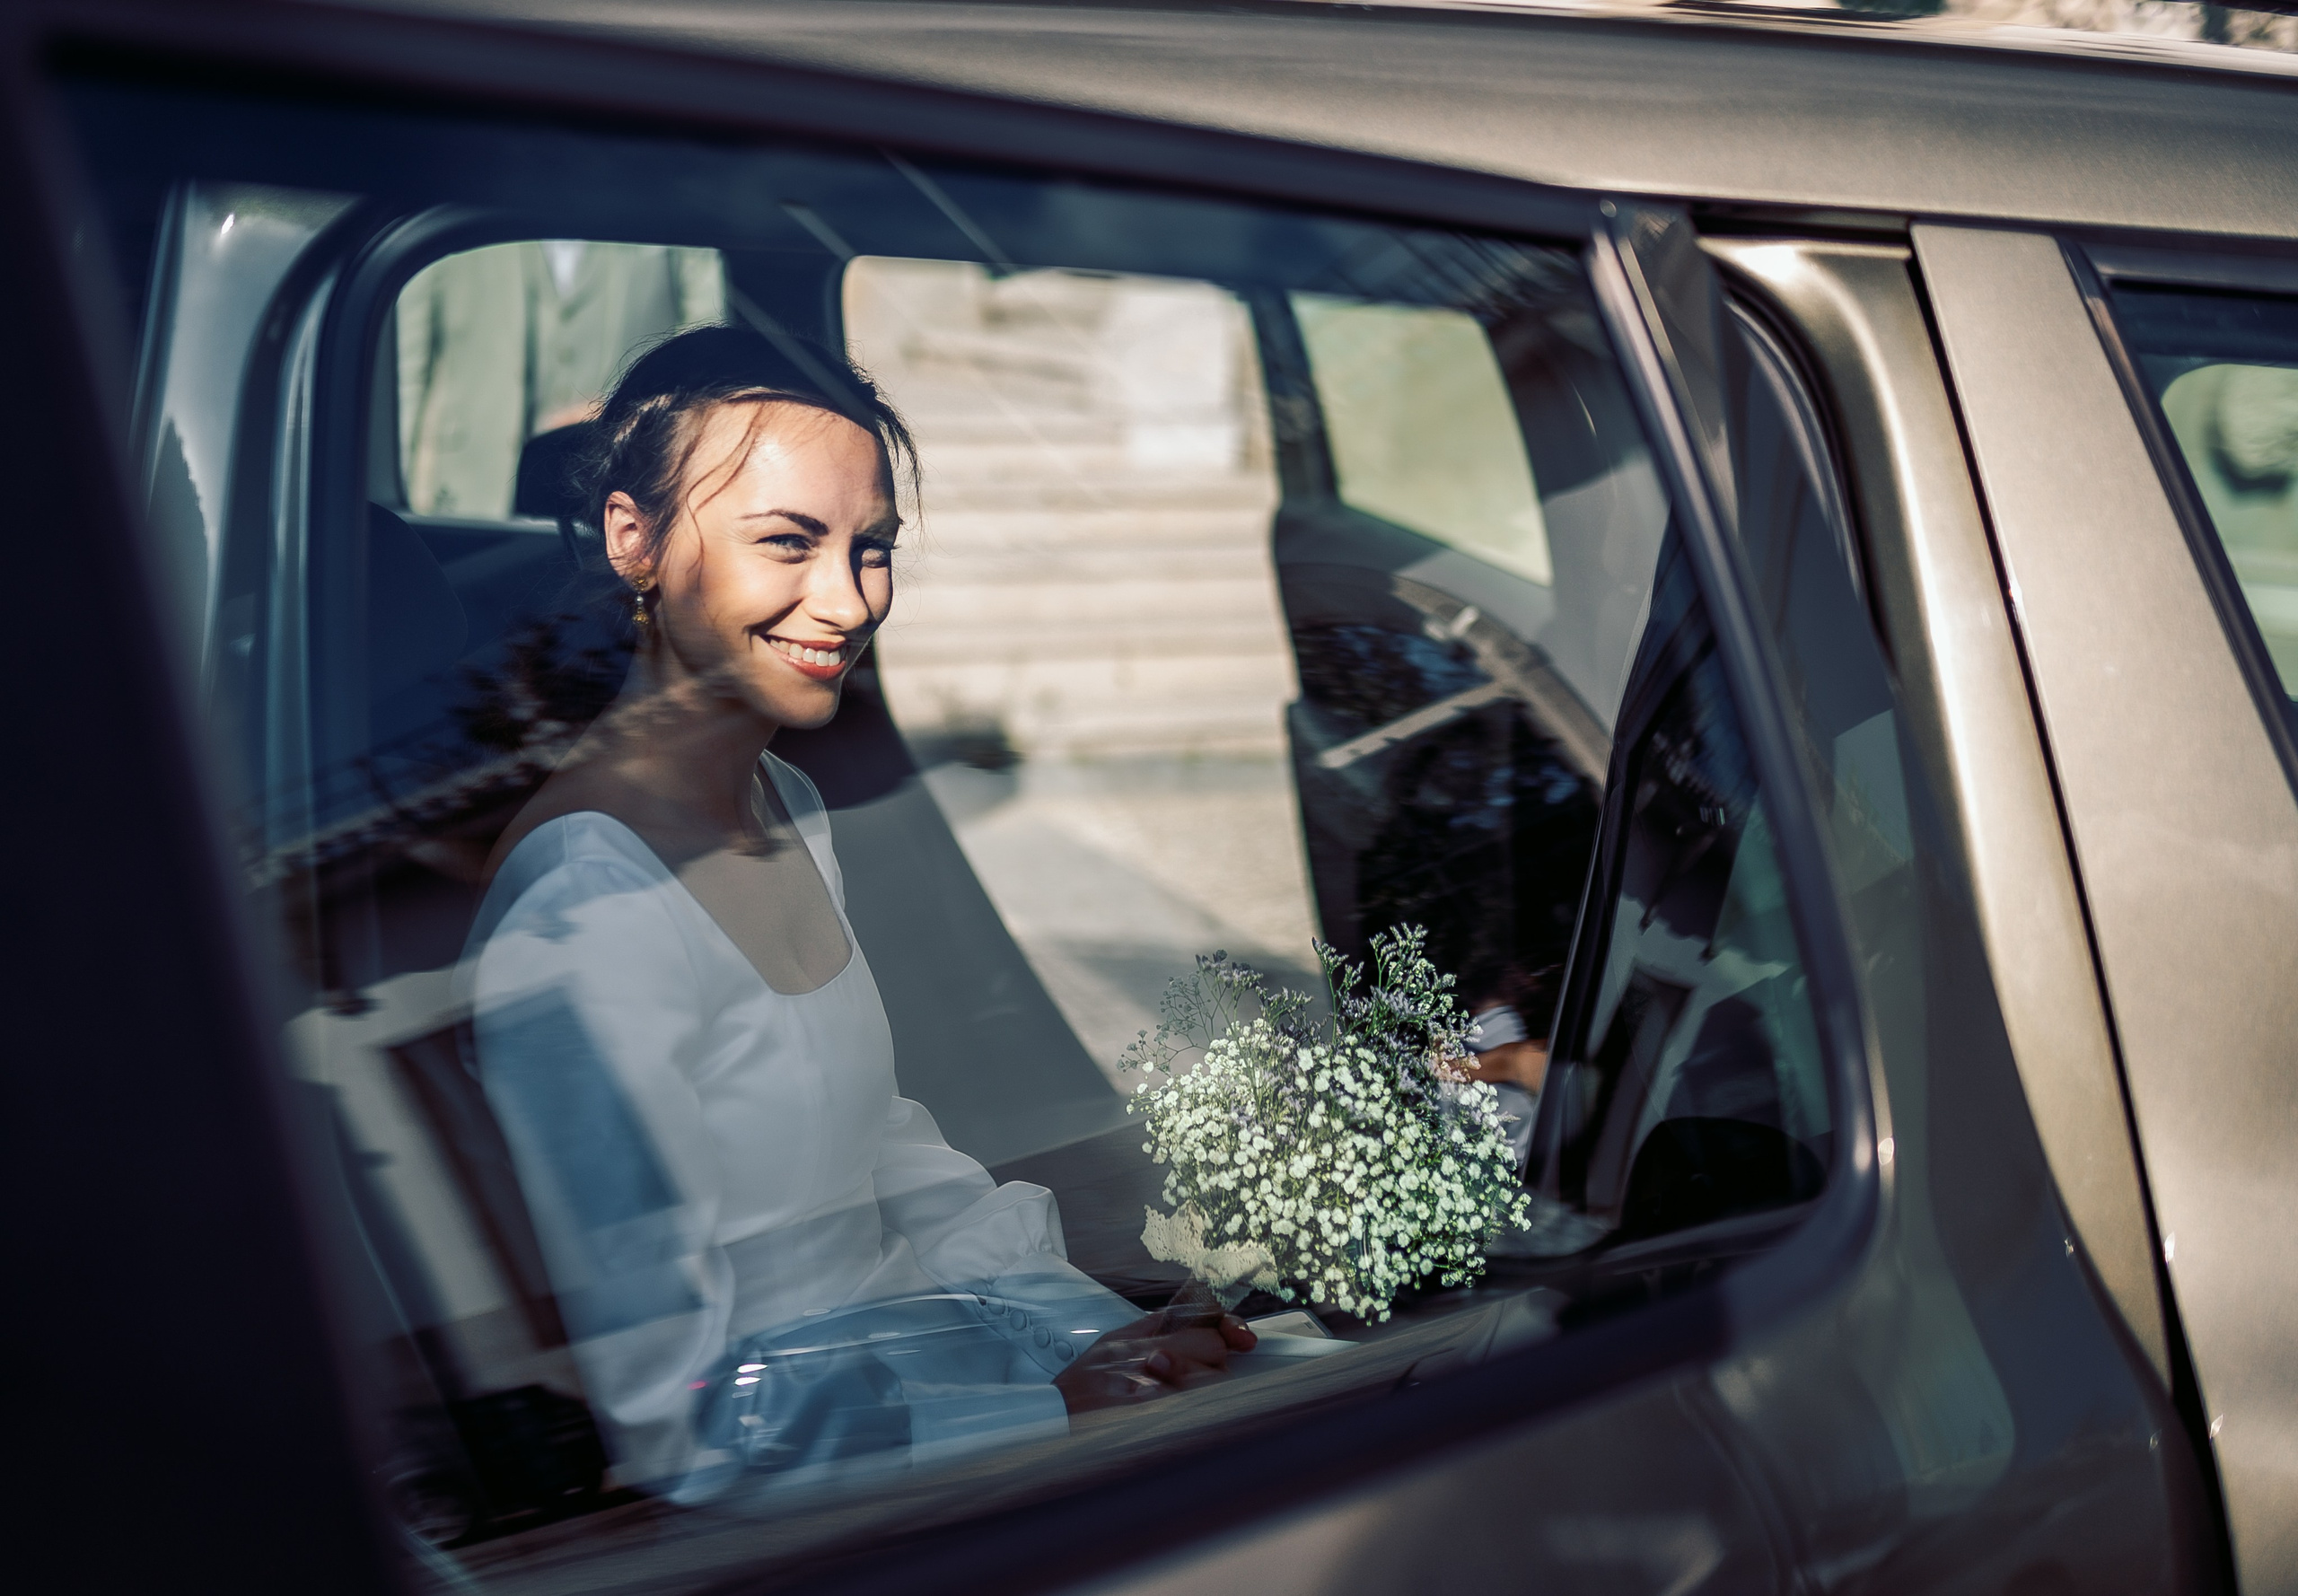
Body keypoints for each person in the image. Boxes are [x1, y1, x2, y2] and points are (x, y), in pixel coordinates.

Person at [461, 326, 1250, 1501]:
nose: (846, 601)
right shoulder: (589, 914)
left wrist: (1098, 1339)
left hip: (937, 1383)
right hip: (820, 1498)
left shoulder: (788, 799)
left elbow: (879, 1144)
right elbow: (683, 1432)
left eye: (870, 549)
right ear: (635, 539)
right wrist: (1048, 1415)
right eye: (788, 542)